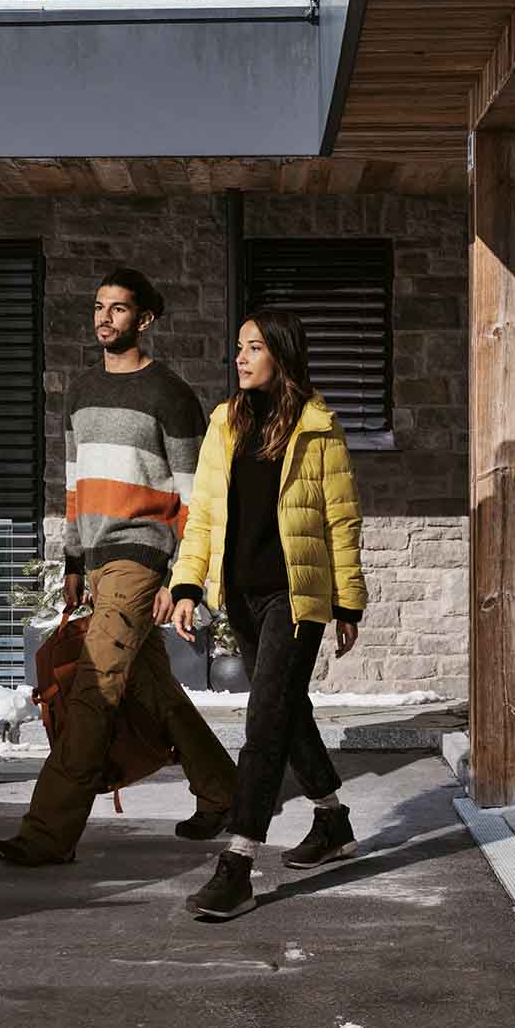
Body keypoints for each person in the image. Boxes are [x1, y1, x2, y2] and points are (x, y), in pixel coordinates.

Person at [0, 267, 241, 866]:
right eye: (99, 307)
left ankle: (48, 835)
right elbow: (75, 486)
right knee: (155, 690)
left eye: (119, 309)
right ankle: (226, 791)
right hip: (98, 562)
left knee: (92, 692)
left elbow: (196, 495)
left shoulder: (170, 395)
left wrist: (181, 577)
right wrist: (72, 560)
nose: (105, 318)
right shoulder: (79, 391)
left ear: (144, 320)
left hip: (142, 556)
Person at [167, 306, 368, 919]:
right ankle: (333, 820)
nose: (241, 357)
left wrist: (348, 600)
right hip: (243, 594)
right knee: (286, 707)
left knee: (264, 718)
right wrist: (187, 585)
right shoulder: (224, 422)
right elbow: (202, 513)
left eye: (253, 347)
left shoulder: (317, 426)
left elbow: (340, 517)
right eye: (238, 347)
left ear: (281, 353)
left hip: (298, 595)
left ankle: (239, 861)